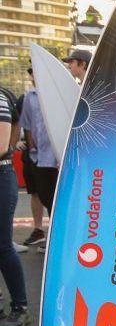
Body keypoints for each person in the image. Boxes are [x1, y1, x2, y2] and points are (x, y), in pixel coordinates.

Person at [0, 82, 29, 326]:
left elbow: (1, 145)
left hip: (1, 176)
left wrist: (8, 148)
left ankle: (20, 307)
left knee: (3, 245)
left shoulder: (0, 96)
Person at [16, 69, 45, 249]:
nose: (33, 77)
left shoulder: (56, 94)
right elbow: (20, 123)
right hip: (33, 155)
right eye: (31, 73)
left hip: (53, 156)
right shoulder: (26, 98)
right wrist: (19, 142)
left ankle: (55, 234)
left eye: (36, 72)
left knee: (51, 195)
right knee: (34, 191)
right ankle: (38, 230)